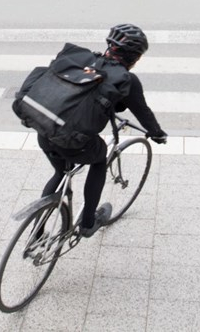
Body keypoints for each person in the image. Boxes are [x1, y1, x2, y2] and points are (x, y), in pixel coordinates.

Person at [37, 24, 167, 237]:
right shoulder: (126, 80)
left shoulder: (83, 60)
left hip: (45, 129)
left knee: (60, 172)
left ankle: (37, 231)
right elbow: (143, 113)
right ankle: (88, 223)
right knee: (98, 161)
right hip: (74, 142)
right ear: (134, 57)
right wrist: (157, 133)